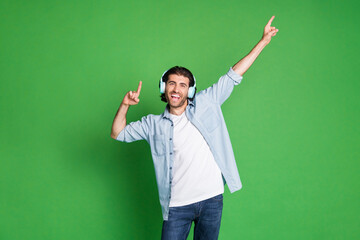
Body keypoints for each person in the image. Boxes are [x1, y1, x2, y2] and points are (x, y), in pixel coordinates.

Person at [111, 16, 279, 240]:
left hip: (212, 200)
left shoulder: (207, 102)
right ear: (164, 87)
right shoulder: (152, 124)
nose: (176, 89)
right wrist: (124, 105)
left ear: (189, 91)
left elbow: (234, 74)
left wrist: (263, 42)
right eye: (171, 83)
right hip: (176, 206)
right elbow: (117, 132)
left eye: (182, 85)